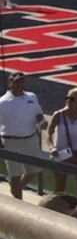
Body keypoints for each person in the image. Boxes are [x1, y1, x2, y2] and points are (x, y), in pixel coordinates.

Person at [1, 70, 48, 200]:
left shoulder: (31, 97)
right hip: (11, 141)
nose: (19, 84)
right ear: (10, 83)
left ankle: (17, 188)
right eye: (16, 82)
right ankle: (19, 200)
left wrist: (42, 122)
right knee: (15, 174)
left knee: (34, 170)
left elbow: (38, 113)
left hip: (30, 138)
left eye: (21, 81)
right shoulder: (3, 102)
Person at [45, 87, 77, 198]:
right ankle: (57, 208)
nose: (68, 101)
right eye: (67, 98)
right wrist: (51, 147)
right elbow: (49, 133)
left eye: (72, 99)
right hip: (62, 153)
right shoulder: (58, 115)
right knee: (60, 186)